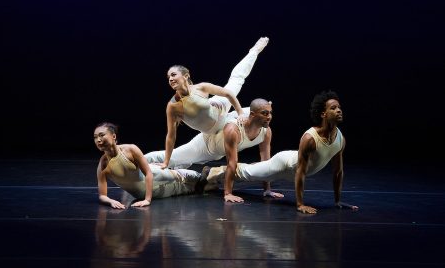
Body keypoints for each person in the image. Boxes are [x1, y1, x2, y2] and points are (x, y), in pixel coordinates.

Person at [203, 90, 359, 213]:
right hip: (284, 163)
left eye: (339, 107)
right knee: (249, 173)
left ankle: (217, 172)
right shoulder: (310, 138)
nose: (339, 110)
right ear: (323, 114)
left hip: (293, 171)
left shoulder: (340, 139)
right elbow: (300, 172)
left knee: (252, 172)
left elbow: (338, 172)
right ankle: (212, 171)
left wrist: (337, 201)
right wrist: (300, 204)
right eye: (333, 108)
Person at [161, 37, 269, 169]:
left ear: (186, 75)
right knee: (179, 154)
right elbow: (171, 136)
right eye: (168, 77)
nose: (171, 79)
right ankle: (135, 159)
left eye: (173, 75)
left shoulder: (201, 87)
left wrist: (240, 112)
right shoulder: (173, 106)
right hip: (211, 130)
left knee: (237, 82)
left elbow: (229, 94)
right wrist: (166, 162)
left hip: (220, 107)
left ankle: (254, 51)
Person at [146, 98, 284, 199]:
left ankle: (210, 174)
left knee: (254, 168)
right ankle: (133, 158)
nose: (269, 117)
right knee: (171, 158)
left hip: (217, 154)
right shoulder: (233, 129)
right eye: (265, 113)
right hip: (203, 146)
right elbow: (232, 163)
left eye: (270, 113)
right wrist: (228, 193)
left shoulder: (266, 132)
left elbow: (266, 162)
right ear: (252, 115)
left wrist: (267, 190)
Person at [94, 122, 203, 209]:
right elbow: (102, 195)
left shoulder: (130, 149)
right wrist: (111, 201)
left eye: (101, 135)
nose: (98, 140)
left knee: (185, 177)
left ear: (113, 136)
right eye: (95, 137)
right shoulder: (103, 165)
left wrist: (147, 199)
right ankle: (205, 181)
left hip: (155, 174)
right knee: (186, 190)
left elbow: (148, 173)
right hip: (140, 193)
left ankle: (200, 175)